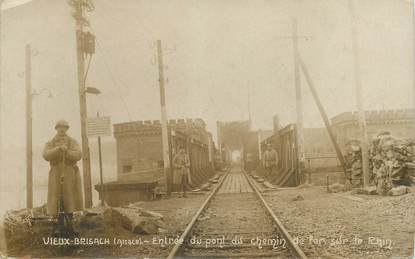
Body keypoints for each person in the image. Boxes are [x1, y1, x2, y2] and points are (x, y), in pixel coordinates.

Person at [43, 120, 83, 225]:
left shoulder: (73, 141)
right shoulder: (50, 143)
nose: (61, 129)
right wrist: (58, 149)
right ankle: (56, 226)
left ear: (67, 129)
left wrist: (67, 151)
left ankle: (70, 224)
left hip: (69, 173)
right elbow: (46, 155)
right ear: (56, 128)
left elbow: (78, 154)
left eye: (64, 127)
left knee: (70, 198)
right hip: (56, 173)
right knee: (55, 199)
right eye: (59, 127)